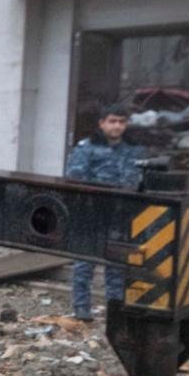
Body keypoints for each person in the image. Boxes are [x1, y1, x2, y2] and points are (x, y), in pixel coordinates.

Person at [66, 102, 145, 321]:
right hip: (92, 214)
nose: (117, 126)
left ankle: (115, 309)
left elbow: (141, 181)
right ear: (102, 124)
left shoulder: (134, 150)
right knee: (84, 263)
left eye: (121, 122)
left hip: (121, 215)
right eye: (112, 121)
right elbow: (74, 179)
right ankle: (81, 308)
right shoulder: (87, 149)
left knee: (117, 266)